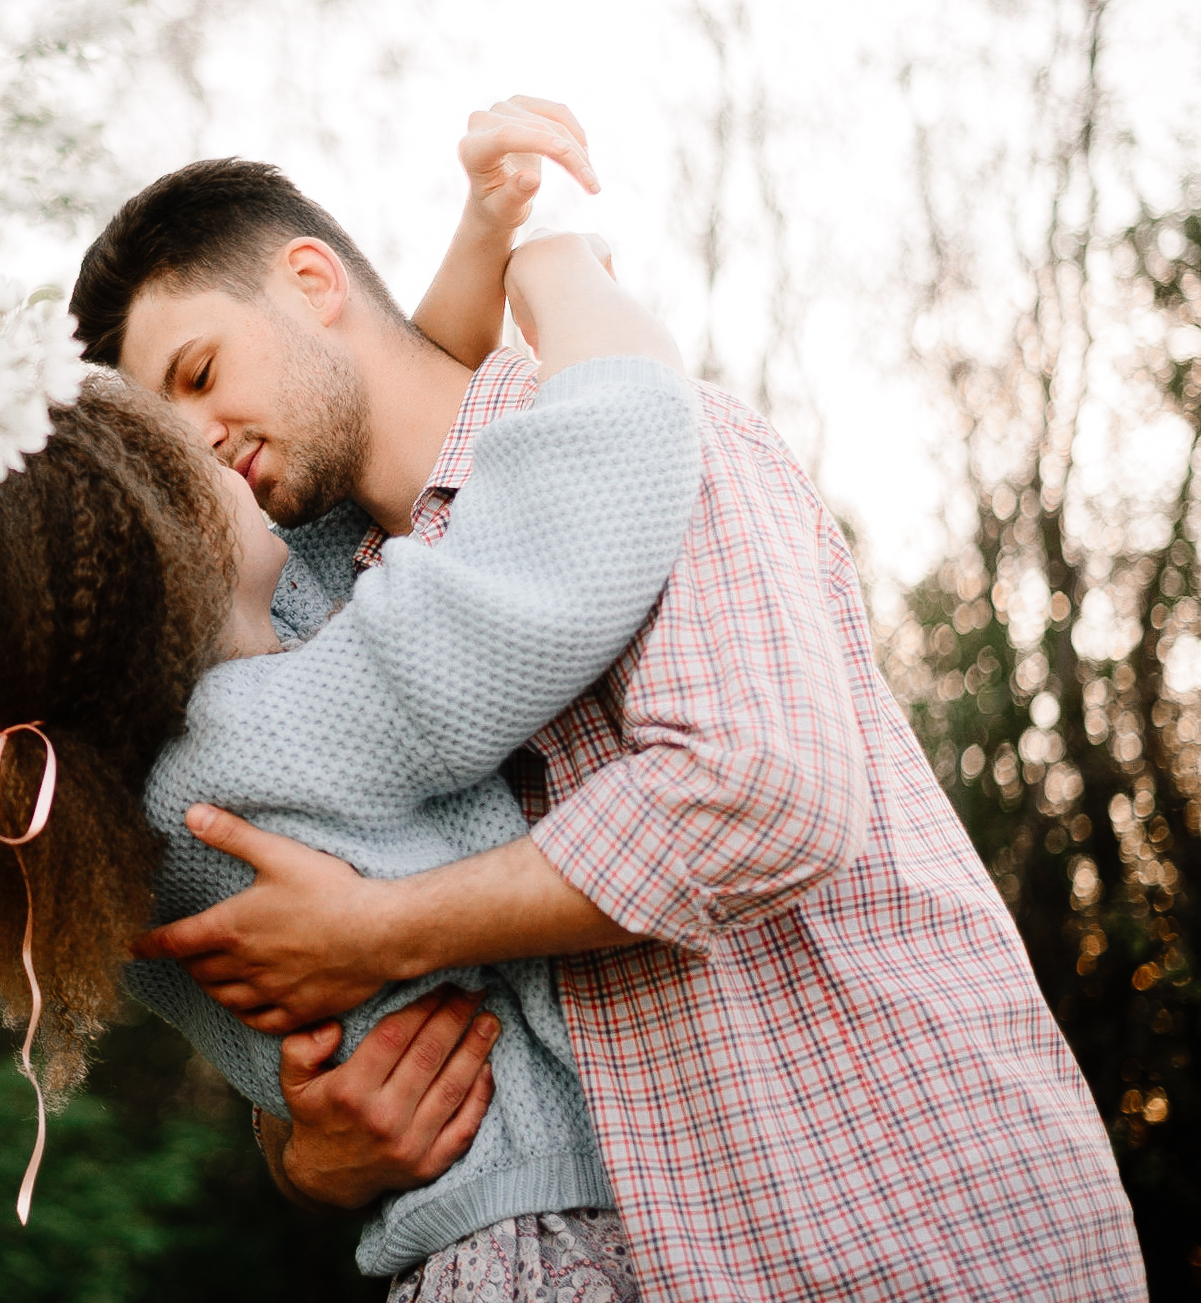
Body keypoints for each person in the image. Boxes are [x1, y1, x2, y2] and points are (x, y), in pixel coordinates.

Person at [77, 98, 1147, 1301]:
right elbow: (275, 989)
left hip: (901, 1196)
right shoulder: (302, 627)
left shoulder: (634, 437)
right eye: (167, 430)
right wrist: (311, 1141)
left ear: (311, 279)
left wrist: (377, 927)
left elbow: (761, 792)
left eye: (200, 372)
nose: (201, 441)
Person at [0, 231, 697, 1294]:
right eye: (196, 463)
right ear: (177, 549)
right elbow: (548, 554)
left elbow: (358, 475)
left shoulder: (121, 787)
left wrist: (455, 261)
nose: (231, 459)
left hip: (473, 1241)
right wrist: (567, 284)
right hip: (557, 1239)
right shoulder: (259, 740)